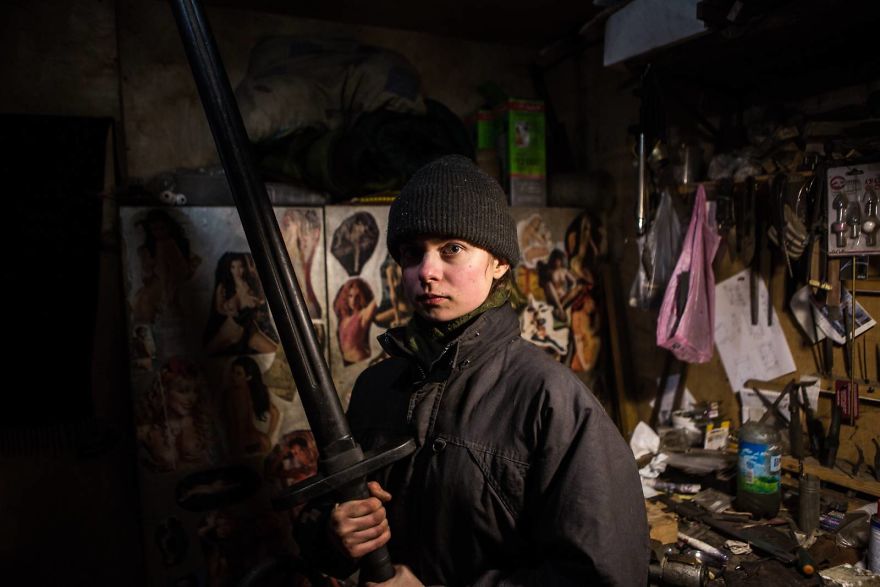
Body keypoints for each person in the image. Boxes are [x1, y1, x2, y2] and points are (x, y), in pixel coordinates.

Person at [300, 155, 649, 585]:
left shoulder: (549, 399)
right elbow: (319, 519)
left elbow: (604, 576)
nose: (427, 272)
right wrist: (333, 535)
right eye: (413, 253)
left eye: (452, 249)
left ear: (498, 262)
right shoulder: (375, 389)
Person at [204, 252, 279, 356]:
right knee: (207, 353)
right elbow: (219, 309)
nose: (237, 271)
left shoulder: (250, 284)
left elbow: (261, 301)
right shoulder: (224, 287)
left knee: (274, 350)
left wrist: (254, 274)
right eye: (233, 267)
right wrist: (230, 306)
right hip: (231, 329)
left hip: (250, 329)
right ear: (229, 269)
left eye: (241, 267)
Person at [225, 355, 280, 457]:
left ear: (248, 377)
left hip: (249, 440)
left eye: (238, 373)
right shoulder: (237, 394)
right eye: (233, 372)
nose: (233, 376)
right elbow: (234, 423)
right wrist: (267, 437)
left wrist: (269, 436)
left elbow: (274, 412)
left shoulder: (249, 393)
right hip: (252, 440)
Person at [332, 278, 378, 365]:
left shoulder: (362, 315)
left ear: (362, 297)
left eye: (357, 296)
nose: (353, 300)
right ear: (345, 297)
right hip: (347, 363)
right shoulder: (344, 318)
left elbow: (376, 300)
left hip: (360, 361)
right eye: (350, 296)